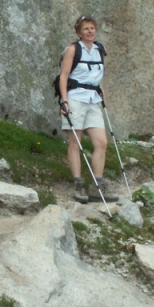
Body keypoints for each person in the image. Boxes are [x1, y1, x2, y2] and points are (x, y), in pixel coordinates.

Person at [57, 15, 119, 204]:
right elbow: (64, 76)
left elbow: (97, 74)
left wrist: (100, 88)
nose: (90, 31)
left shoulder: (99, 50)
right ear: (78, 32)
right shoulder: (73, 50)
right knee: (75, 142)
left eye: (92, 28)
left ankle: (96, 186)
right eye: (86, 29)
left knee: (101, 142)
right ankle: (78, 184)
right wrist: (64, 101)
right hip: (75, 98)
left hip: (93, 100)